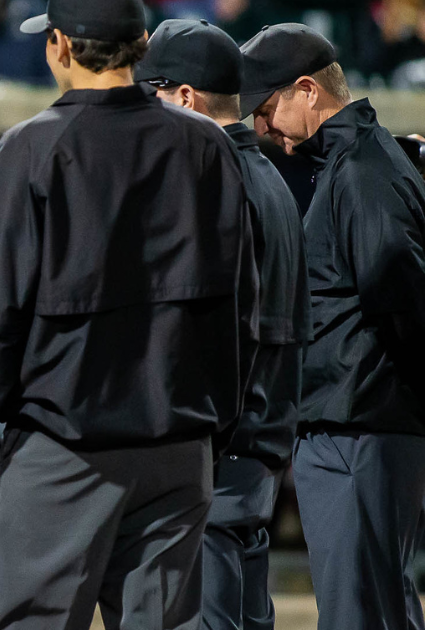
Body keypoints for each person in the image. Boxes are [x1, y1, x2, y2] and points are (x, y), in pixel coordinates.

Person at [0, 0, 260, 627]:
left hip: (64, 453)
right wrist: (211, 433)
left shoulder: (32, 148)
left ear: (59, 44)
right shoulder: (206, 143)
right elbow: (238, 307)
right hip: (177, 447)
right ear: (141, 42)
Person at [242, 23, 425, 630]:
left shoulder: (363, 169)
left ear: (306, 90)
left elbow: (400, 294)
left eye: (267, 108)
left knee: (358, 613)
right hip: (362, 427)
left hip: (360, 430)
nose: (263, 127)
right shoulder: (360, 158)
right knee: (378, 605)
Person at [135, 19, 312, 630]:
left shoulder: (217, 182)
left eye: (150, 94)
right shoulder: (269, 179)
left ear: (185, 98)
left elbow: (211, 335)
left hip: (217, 457)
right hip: (256, 453)